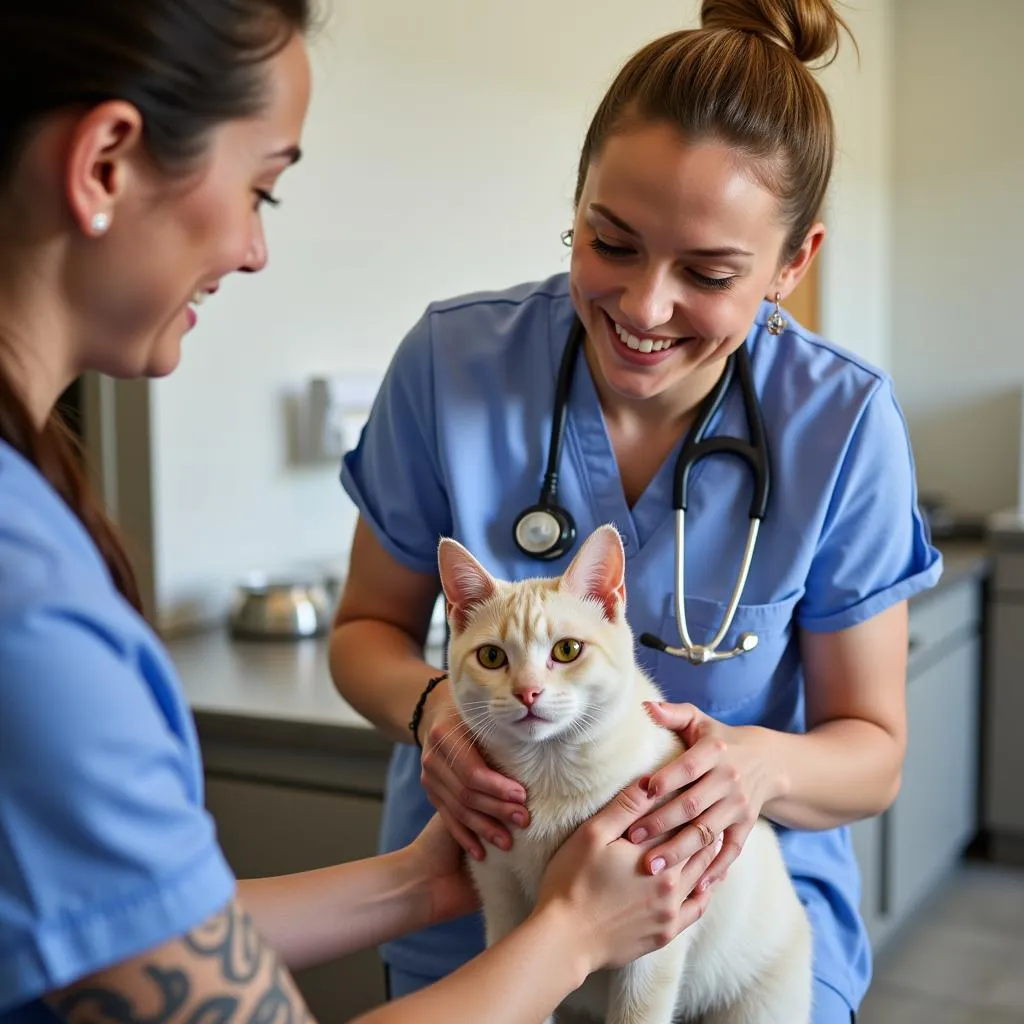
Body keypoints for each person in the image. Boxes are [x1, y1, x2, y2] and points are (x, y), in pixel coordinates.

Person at [0, 3, 718, 1022]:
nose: (253, 250)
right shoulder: (33, 609)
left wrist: (424, 881)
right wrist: (571, 938)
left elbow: (126, 930)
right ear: (107, 161)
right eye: (263, 192)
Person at [330, 0, 944, 1021]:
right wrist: (434, 707)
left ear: (795, 262)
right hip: (477, 906)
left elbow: (870, 750)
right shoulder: (452, 366)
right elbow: (364, 632)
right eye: (609, 243)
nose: (644, 309)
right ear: (575, 206)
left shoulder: (839, 422)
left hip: (725, 935)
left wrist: (754, 767)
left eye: (707, 273)